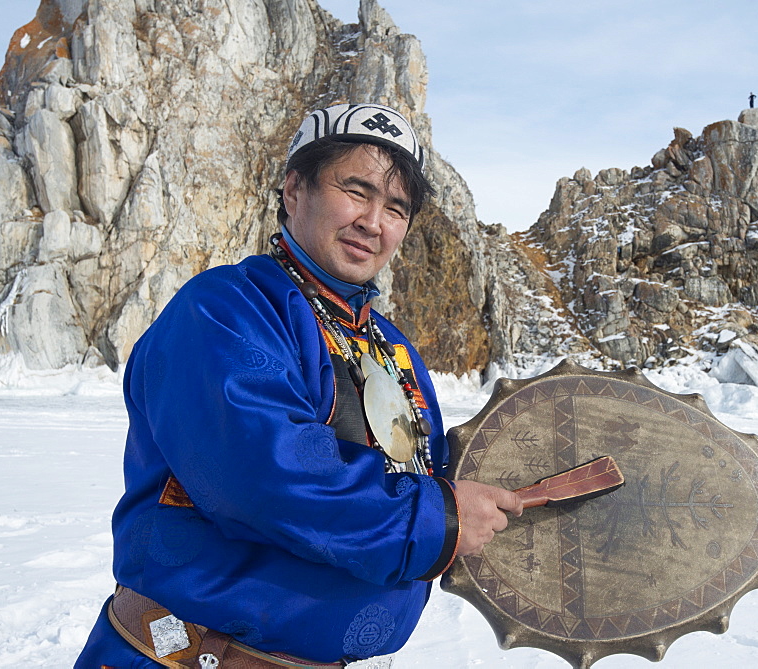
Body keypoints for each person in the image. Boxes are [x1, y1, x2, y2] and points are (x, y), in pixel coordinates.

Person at [76, 103, 524, 668]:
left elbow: (428, 481)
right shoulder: (226, 311)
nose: (374, 222)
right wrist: (444, 520)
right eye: (356, 191)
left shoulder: (392, 349)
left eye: (396, 208)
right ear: (294, 190)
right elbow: (263, 477)